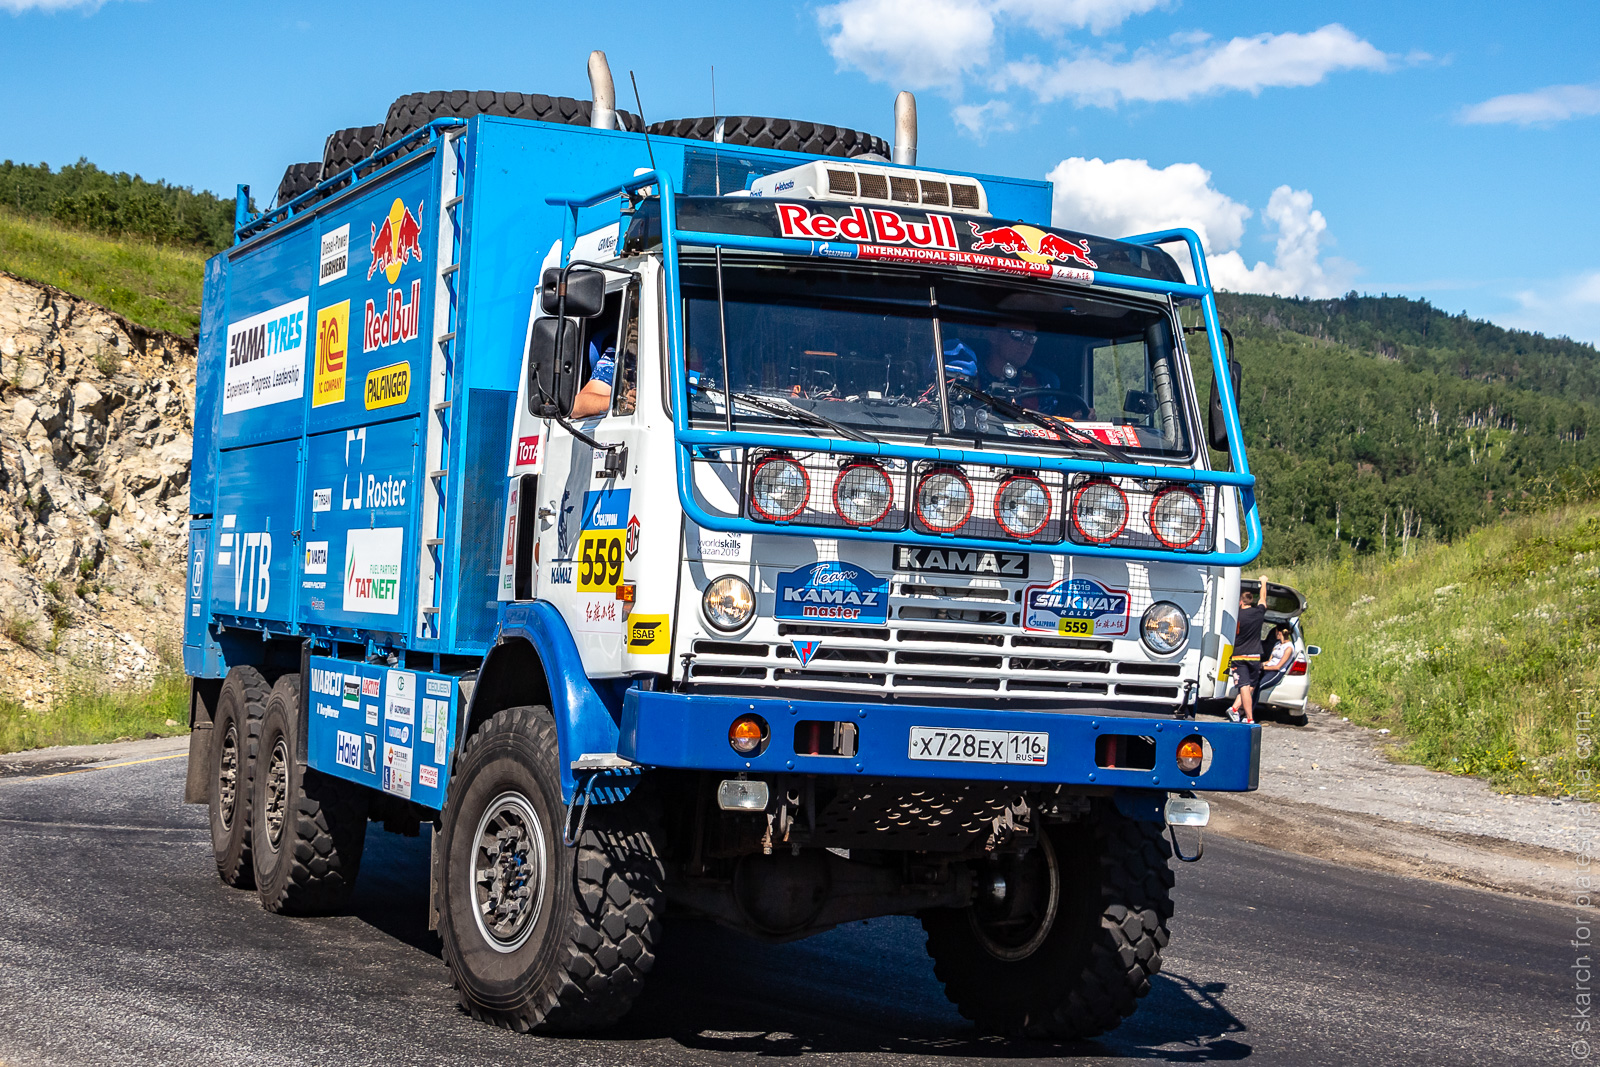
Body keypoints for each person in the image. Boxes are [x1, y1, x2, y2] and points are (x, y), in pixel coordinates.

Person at [1228, 574, 1270, 723]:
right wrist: (1263, 583)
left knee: (1244, 686)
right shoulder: (1258, 613)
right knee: (1251, 685)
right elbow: (1263, 599)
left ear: (1240, 602)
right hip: (1254, 655)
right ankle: (1235, 710)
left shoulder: (1236, 615)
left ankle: (1248, 717)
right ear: (1251, 601)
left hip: (1239, 656)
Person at [1255, 624, 1297, 697]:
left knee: (1259, 686)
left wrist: (1262, 667)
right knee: (1252, 685)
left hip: (1275, 672)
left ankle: (1250, 707)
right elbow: (1269, 661)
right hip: (1268, 668)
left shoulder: (1289, 648)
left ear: (1279, 633)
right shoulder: (1277, 644)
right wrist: (1259, 664)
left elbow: (1278, 667)